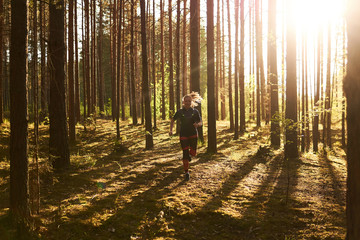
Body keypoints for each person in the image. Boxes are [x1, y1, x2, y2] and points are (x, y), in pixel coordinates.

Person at [169, 92, 202, 181]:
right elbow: (172, 120)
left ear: (191, 102)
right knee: (185, 153)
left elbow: (200, 122)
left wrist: (197, 125)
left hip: (193, 134)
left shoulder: (195, 111)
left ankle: (189, 155)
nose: (187, 102)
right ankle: (186, 172)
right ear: (183, 102)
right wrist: (171, 130)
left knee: (193, 153)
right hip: (183, 134)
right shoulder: (180, 111)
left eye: (189, 101)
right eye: (186, 101)